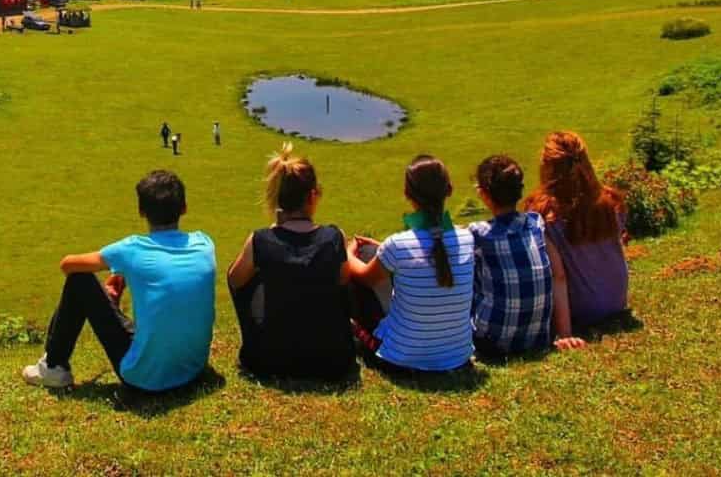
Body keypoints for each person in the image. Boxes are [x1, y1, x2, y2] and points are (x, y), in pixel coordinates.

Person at [22, 170, 216, 392]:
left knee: (79, 280)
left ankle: (53, 367)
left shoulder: (132, 249)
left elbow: (68, 265)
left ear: (141, 211)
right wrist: (121, 273)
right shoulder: (204, 244)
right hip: (193, 369)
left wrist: (114, 277)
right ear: (184, 208)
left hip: (145, 378)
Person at [227, 143, 355, 380]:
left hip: (268, 360)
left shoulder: (261, 240)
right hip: (332, 359)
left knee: (245, 271)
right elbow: (343, 282)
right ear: (312, 196)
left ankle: (256, 336)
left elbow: (235, 281)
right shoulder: (334, 238)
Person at [348, 154, 475, 373]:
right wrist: (382, 248)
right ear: (449, 190)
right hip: (458, 357)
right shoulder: (468, 238)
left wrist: (348, 251)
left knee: (361, 263)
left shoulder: (397, 245)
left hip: (400, 358)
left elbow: (363, 276)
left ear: (408, 194)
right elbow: (431, 250)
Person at [469, 154, 583, 357]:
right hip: (537, 338)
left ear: (484, 194)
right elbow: (559, 275)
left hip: (490, 341)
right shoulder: (535, 224)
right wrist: (565, 333)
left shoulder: (478, 233)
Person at [524, 131, 629, 339]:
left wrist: (564, 333)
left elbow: (558, 275)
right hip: (617, 300)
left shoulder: (543, 214)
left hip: (581, 309)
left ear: (547, 168)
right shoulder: (611, 202)